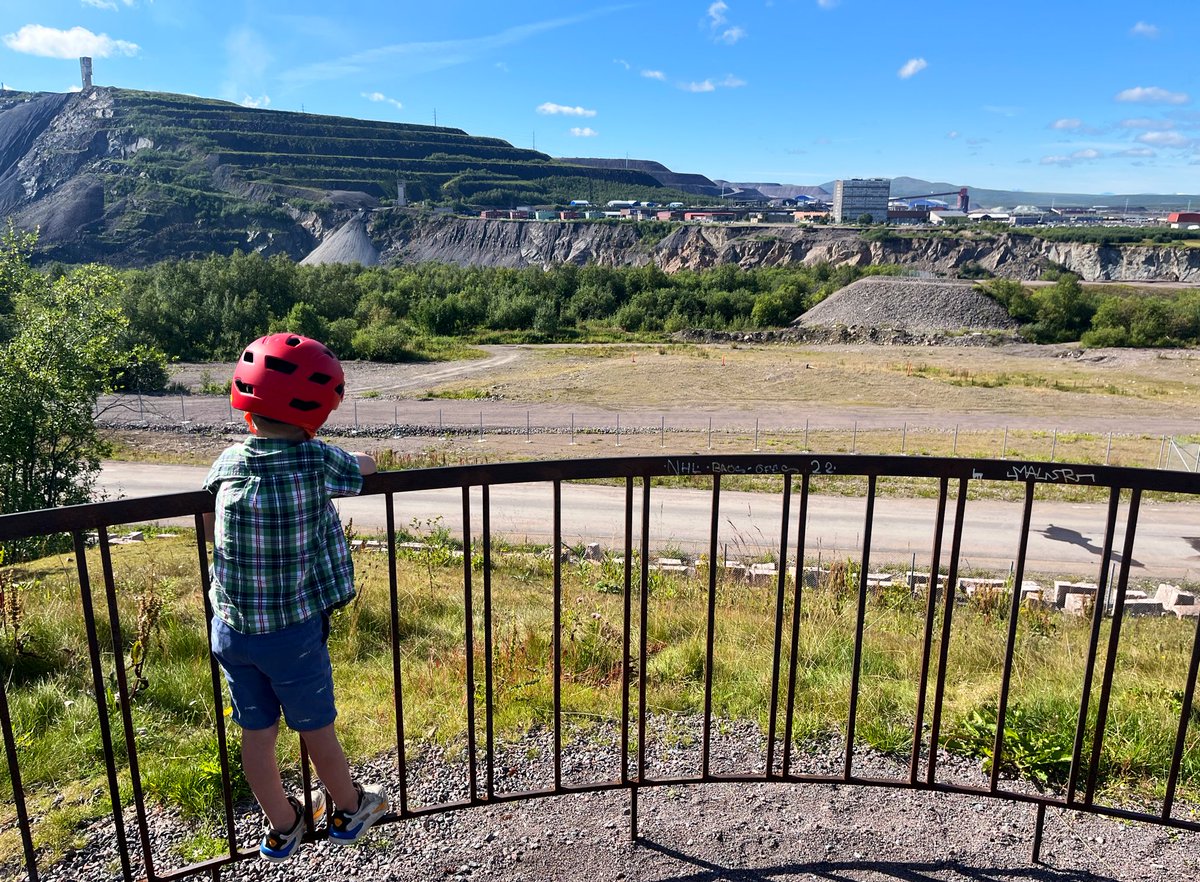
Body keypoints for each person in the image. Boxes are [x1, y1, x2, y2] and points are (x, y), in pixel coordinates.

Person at [203, 333, 388, 862]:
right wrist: (357, 455)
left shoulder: (229, 462)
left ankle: (283, 826)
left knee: (256, 735)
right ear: (316, 418)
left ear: (246, 411)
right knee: (315, 726)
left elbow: (208, 491)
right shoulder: (314, 460)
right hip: (291, 634)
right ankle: (350, 809)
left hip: (231, 629)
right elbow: (363, 467)